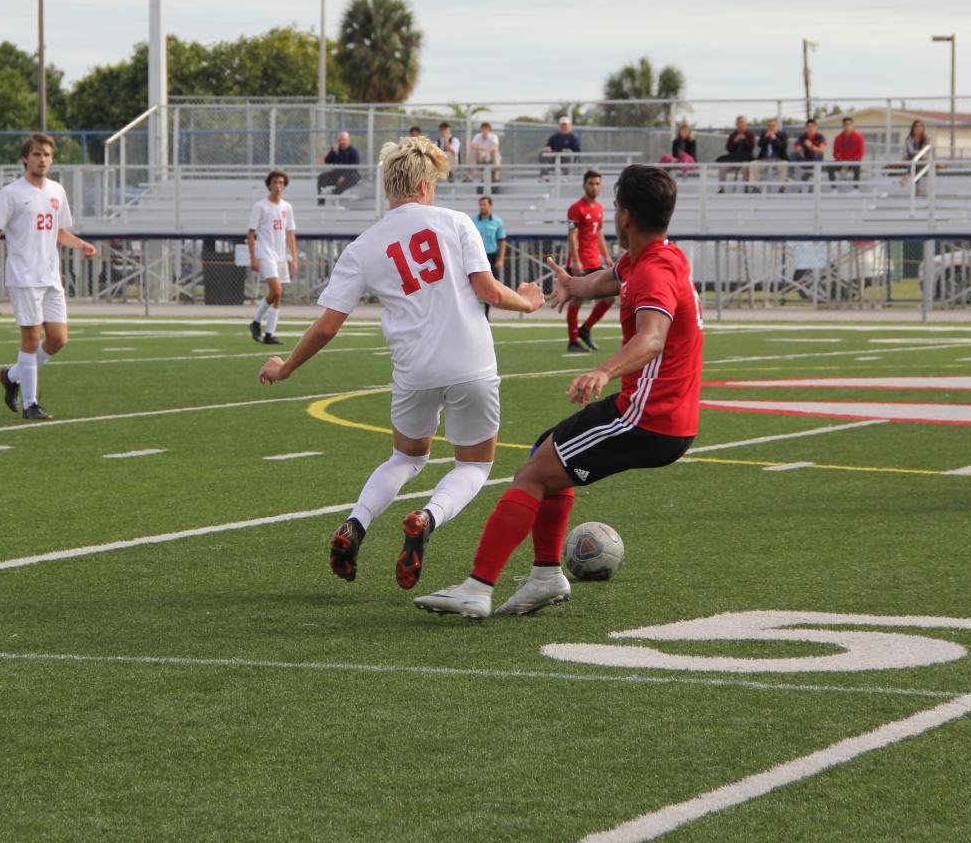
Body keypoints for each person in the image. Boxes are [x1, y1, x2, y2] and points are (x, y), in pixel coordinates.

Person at [414, 165, 702, 619]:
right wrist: (574, 286)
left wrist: (604, 371)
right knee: (544, 453)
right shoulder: (655, 258)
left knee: (531, 475)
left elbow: (652, 339)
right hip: (664, 416)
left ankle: (478, 586)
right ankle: (546, 575)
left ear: (624, 216)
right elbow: (608, 280)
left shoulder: (653, 274)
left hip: (646, 418)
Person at [259, 137, 544, 590]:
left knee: (406, 457)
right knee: (473, 466)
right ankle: (426, 519)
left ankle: (356, 522)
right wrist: (527, 303)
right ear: (425, 183)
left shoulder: (364, 245)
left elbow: (328, 326)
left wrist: (286, 367)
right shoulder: (456, 222)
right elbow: (488, 291)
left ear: (390, 188)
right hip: (471, 362)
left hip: (415, 369)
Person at [0, 134, 96, 421]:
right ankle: (31, 404)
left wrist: (80, 244)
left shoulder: (57, 191)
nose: (42, 159)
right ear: (25, 158)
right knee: (32, 338)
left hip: (50, 276)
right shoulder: (11, 193)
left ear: (52, 159)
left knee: (57, 340)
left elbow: (59, 231)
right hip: (23, 275)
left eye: (46, 154)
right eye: (36, 154)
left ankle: (11, 376)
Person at [565, 170, 614, 353]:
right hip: (581, 261)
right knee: (577, 299)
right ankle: (572, 340)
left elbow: (599, 233)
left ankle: (585, 329)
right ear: (584, 185)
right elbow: (572, 236)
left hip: (594, 260)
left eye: (597, 184)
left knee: (609, 298)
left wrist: (606, 256)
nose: (594, 187)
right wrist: (576, 261)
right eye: (591, 183)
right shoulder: (576, 208)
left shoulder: (599, 208)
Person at [247, 169, 298, 346]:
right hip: (265, 252)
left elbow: (290, 233)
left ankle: (269, 333)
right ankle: (255, 321)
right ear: (269, 184)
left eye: (281, 183)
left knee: (278, 295)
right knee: (275, 290)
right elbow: (251, 233)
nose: (277, 186)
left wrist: (294, 259)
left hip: (281, 254)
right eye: (275, 182)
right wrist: (253, 257)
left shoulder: (287, 207)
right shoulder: (260, 206)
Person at [472, 195, 507, 319]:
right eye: (480, 205)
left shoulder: (497, 222)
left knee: (490, 285)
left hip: (491, 256)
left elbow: (501, 241)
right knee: (473, 284)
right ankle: (474, 312)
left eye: (484, 204)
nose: (482, 207)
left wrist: (500, 259)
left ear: (490, 206)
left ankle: (486, 314)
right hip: (476, 256)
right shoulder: (473, 220)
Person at [716, 115, 757, 191]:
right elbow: (728, 148)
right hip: (734, 159)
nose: (741, 125)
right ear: (737, 124)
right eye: (739, 123)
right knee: (722, 167)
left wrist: (744, 140)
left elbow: (751, 148)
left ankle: (746, 188)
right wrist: (735, 140)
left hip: (745, 159)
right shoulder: (733, 135)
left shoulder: (750, 134)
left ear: (745, 125)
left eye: (742, 123)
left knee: (745, 167)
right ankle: (722, 189)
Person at [317, 131, 361, 201]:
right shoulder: (336, 150)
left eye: (344, 140)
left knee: (351, 177)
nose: (342, 142)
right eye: (340, 140)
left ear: (348, 140)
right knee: (321, 177)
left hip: (351, 174)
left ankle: (334, 192)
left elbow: (355, 166)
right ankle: (321, 200)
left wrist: (344, 176)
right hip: (338, 173)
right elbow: (328, 161)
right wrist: (333, 152)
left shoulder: (353, 151)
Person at [752, 118, 790, 191]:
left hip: (778, 159)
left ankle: (781, 187)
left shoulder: (783, 135)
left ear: (777, 127)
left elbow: (783, 146)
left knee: (784, 165)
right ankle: (755, 187)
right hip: (765, 159)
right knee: (753, 164)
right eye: (769, 126)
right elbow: (760, 144)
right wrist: (766, 137)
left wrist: (774, 138)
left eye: (773, 126)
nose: (771, 128)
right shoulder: (764, 134)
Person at [832, 117, 865, 185]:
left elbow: (860, 153)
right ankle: (833, 188)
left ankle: (855, 188)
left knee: (857, 167)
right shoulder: (838, 138)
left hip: (853, 162)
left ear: (852, 125)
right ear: (843, 125)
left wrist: (849, 162)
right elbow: (835, 153)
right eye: (845, 124)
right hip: (841, 163)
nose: (847, 126)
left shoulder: (859, 137)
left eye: (849, 124)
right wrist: (842, 162)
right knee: (830, 167)